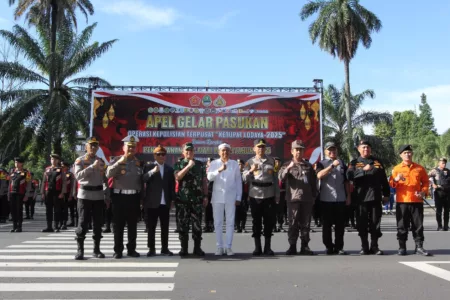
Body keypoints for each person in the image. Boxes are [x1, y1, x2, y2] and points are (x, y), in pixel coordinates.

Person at [347, 140, 390, 255]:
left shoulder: (377, 162)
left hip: (375, 197)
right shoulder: (354, 162)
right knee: (361, 223)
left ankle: (374, 246)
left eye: (368, 147)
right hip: (361, 198)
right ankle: (364, 246)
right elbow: (349, 176)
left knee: (375, 222)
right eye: (364, 147)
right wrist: (362, 170)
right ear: (358, 149)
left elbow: (384, 179)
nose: (366, 149)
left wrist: (386, 194)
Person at [106, 135, 144, 259]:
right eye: (129, 147)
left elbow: (141, 181)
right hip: (119, 197)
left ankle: (131, 249)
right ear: (123, 147)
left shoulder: (139, 163)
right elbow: (108, 174)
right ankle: (118, 250)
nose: (131, 149)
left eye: (133, 147)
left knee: (132, 225)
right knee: (118, 225)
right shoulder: (116, 159)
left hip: (134, 198)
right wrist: (119, 162)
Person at [390, 145, 431, 256]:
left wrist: (423, 192)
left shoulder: (419, 168)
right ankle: (402, 247)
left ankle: (419, 247)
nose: (407, 154)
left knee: (418, 225)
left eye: (409, 152)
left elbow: (426, 182)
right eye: (405, 153)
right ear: (401, 155)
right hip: (402, 201)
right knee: (402, 225)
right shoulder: (397, 169)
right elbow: (391, 184)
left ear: (412, 154)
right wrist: (396, 179)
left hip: (416, 201)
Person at [279, 140, 317, 255]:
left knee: (306, 224)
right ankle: (292, 246)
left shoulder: (308, 166)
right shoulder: (286, 165)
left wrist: (314, 196)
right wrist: (288, 169)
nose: (299, 152)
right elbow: (281, 178)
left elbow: (313, 183)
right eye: (296, 149)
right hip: (293, 199)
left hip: (307, 199)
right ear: (292, 151)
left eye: (301, 149)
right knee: (293, 223)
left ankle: (305, 246)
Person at [243, 139, 280, 256]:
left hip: (269, 194)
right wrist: (250, 170)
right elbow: (244, 179)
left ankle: (268, 247)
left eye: (263, 147)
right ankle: (257, 247)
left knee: (269, 222)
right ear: (254, 148)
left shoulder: (272, 161)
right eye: (258, 147)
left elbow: (275, 179)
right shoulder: (249, 162)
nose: (261, 149)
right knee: (256, 222)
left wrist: (277, 195)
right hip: (255, 195)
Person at [74, 137, 109, 260]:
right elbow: (78, 176)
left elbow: (105, 179)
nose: (93, 148)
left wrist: (107, 195)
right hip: (85, 195)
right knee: (83, 223)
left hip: (98, 195)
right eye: (91, 145)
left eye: (95, 145)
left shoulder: (101, 161)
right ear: (86, 147)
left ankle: (96, 249)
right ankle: (80, 250)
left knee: (98, 224)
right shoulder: (80, 160)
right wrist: (91, 167)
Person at [207, 143, 242, 256]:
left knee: (230, 223)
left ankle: (228, 247)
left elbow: (238, 182)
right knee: (218, 223)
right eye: (223, 150)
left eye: (227, 150)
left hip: (230, 198)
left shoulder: (234, 164)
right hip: (217, 197)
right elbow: (209, 177)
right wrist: (219, 170)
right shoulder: (214, 163)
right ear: (219, 152)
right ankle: (219, 247)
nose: (225, 152)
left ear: (230, 152)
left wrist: (238, 197)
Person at [174, 142, 208, 257]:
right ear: (183, 152)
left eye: (191, 150)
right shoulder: (179, 164)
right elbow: (177, 177)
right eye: (187, 150)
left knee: (197, 226)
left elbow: (204, 181)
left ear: (194, 152)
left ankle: (197, 248)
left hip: (197, 200)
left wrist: (205, 195)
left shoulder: (200, 164)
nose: (189, 152)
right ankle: (184, 249)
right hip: (183, 200)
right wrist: (188, 166)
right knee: (183, 226)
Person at [316, 142, 351, 255]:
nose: (332, 152)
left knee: (340, 225)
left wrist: (348, 196)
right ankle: (329, 247)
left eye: (334, 150)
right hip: (326, 199)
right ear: (325, 151)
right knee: (327, 225)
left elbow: (346, 181)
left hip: (340, 198)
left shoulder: (342, 163)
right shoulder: (321, 163)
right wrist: (331, 166)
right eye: (329, 150)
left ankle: (339, 247)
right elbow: (319, 175)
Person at [143, 144, 176, 257]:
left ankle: (164, 248)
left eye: (163, 154)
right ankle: (151, 249)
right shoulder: (148, 167)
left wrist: (172, 200)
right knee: (151, 227)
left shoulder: (169, 169)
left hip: (164, 202)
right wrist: (152, 171)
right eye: (159, 154)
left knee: (164, 227)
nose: (161, 156)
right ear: (154, 155)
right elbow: (143, 179)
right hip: (152, 202)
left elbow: (171, 186)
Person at [8, 157, 32, 232]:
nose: (16, 164)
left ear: (22, 163)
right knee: (13, 210)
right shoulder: (12, 171)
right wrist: (8, 193)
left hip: (20, 193)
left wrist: (27, 195)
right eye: (15, 162)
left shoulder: (26, 172)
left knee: (19, 210)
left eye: (18, 162)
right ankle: (14, 226)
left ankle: (19, 226)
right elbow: (10, 183)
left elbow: (29, 184)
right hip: (12, 193)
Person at [428, 157, 450, 231]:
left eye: (445, 163)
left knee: (447, 211)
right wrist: (432, 184)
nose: (444, 164)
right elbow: (427, 177)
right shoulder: (434, 171)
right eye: (442, 163)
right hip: (439, 193)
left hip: (447, 193)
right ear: (439, 163)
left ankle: (446, 226)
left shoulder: (448, 171)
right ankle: (439, 226)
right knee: (439, 210)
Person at [235, 159, 249, 233]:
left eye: (240, 164)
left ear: (243, 165)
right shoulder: (233, 173)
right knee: (236, 212)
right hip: (236, 195)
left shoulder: (246, 173)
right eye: (238, 164)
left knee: (244, 212)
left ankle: (243, 227)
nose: (239, 165)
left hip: (244, 195)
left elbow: (249, 184)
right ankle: (237, 227)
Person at [61, 161, 76, 230]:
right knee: (62, 209)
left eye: (63, 166)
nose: (62, 167)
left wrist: (71, 195)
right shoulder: (59, 174)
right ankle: (61, 222)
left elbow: (72, 185)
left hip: (68, 193)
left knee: (70, 209)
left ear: (67, 167)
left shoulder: (70, 174)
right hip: (61, 194)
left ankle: (69, 222)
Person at [274, 157, 286, 233]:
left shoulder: (283, 171)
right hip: (273, 193)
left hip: (282, 193)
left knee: (281, 211)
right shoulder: (271, 171)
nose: (277, 163)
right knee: (273, 211)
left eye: (279, 162)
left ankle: (280, 225)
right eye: (276, 162)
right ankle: (274, 226)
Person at [203, 157, 215, 233]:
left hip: (213, 192)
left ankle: (211, 225)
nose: (209, 163)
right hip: (205, 193)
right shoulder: (204, 170)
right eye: (208, 161)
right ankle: (206, 225)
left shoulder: (216, 171)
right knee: (206, 210)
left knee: (212, 210)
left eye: (211, 161)